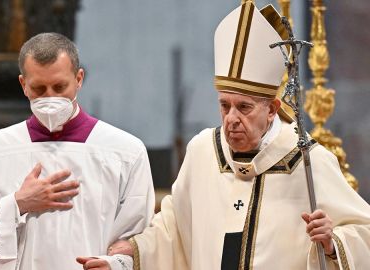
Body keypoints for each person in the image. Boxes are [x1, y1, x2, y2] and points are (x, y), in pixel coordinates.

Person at [77, 1, 370, 270]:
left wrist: (333, 243)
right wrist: (130, 252)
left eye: (244, 107)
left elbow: (364, 233)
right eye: (224, 105)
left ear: (272, 109)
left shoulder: (307, 159)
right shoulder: (203, 151)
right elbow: (173, 229)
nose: (231, 119)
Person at [0, 32, 155, 269]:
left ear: (79, 79)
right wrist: (17, 205)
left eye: (60, 86)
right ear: (23, 84)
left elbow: (140, 239)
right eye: (39, 88)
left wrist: (114, 265)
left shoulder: (126, 152)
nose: (50, 97)